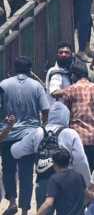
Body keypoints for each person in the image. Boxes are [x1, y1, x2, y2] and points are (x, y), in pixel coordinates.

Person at [10, 101, 91, 212]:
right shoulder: (71, 133)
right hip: (67, 182)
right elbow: (81, 161)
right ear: (67, 116)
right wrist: (86, 183)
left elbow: (15, 151)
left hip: (43, 181)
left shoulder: (38, 132)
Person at [0, 56, 50, 215]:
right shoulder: (36, 86)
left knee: (8, 170)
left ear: (14, 68)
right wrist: (42, 125)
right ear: (30, 69)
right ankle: (24, 210)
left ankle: (12, 202)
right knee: (26, 173)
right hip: (29, 136)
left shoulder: (3, 85)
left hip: (8, 134)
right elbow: (45, 110)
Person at [35, 149, 87, 215]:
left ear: (54, 164)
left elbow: (48, 203)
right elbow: (86, 195)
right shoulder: (79, 176)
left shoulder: (54, 179)